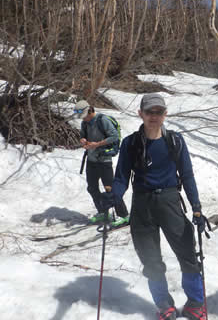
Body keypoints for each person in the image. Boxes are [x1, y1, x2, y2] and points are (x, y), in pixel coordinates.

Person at [105, 93, 207, 320]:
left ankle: (196, 303)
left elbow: (187, 176)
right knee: (150, 260)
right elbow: (121, 178)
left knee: (188, 255)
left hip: (170, 201)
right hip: (142, 206)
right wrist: (113, 197)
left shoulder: (175, 141)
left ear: (165, 114)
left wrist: (197, 208)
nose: (153, 116)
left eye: (158, 112)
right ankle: (163, 304)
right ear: (140, 113)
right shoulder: (130, 143)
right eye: (149, 111)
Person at [74, 100, 130, 227]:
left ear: (90, 111)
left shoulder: (103, 120)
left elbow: (114, 136)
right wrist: (83, 140)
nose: (84, 119)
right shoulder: (85, 123)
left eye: (84, 116)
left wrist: (97, 144)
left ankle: (124, 215)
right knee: (92, 188)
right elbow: (83, 135)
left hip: (104, 160)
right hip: (91, 160)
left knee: (110, 189)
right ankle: (103, 212)